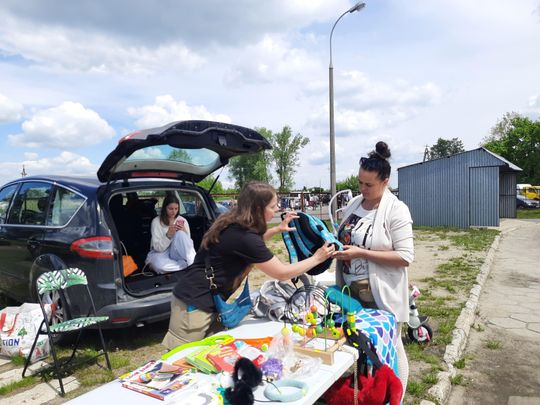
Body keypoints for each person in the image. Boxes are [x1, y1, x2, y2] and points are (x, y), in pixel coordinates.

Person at [162, 181, 335, 349]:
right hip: (192, 304)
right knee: (179, 358)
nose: (277, 209)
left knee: (205, 353)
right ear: (259, 209)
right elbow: (282, 273)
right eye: (273, 206)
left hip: (200, 298)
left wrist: (276, 229)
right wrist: (316, 258)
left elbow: (246, 245)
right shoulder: (245, 236)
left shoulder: (234, 223)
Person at [332, 141, 414, 396]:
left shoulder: (396, 210)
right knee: (362, 344)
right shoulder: (356, 203)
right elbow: (345, 234)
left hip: (381, 291)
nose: (363, 189)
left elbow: (405, 256)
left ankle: (397, 395)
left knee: (392, 344)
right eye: (360, 182)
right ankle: (371, 394)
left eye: (369, 184)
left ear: (385, 181)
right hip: (353, 291)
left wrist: (361, 253)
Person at [146, 195, 196, 274]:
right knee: (159, 266)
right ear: (165, 208)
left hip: (176, 252)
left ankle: (193, 265)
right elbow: (157, 248)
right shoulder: (156, 221)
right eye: (171, 209)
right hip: (161, 253)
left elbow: (188, 247)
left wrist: (185, 233)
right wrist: (168, 236)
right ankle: (184, 265)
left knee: (181, 234)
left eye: (176, 208)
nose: (174, 212)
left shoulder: (182, 220)